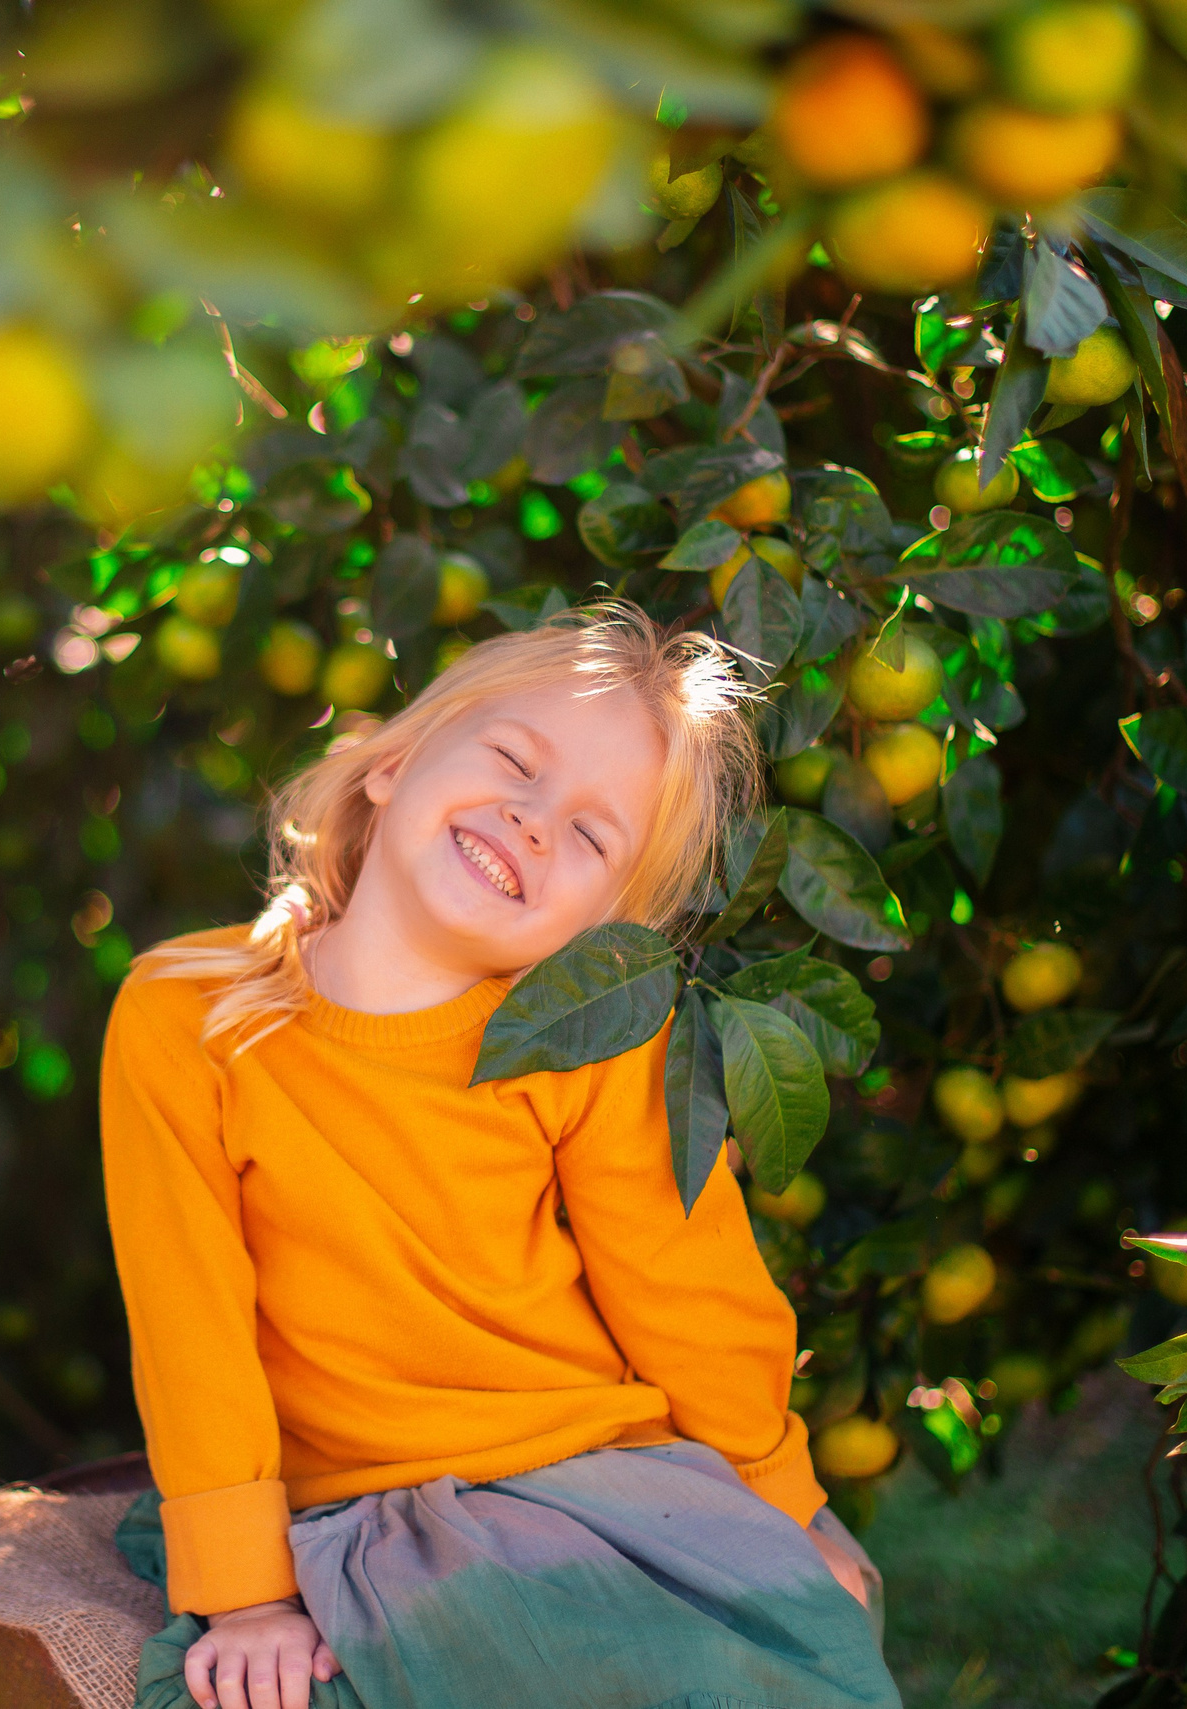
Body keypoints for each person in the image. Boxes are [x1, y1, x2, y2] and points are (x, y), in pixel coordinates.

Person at [100, 603, 896, 1709]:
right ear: (388, 763)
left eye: (589, 836)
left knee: (790, 1666)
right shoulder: (187, 1016)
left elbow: (685, 1281)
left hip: (602, 1477)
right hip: (375, 1509)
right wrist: (246, 1595)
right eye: (516, 761)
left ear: (601, 931)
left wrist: (787, 1501)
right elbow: (188, 1321)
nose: (532, 820)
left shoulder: (592, 1026)